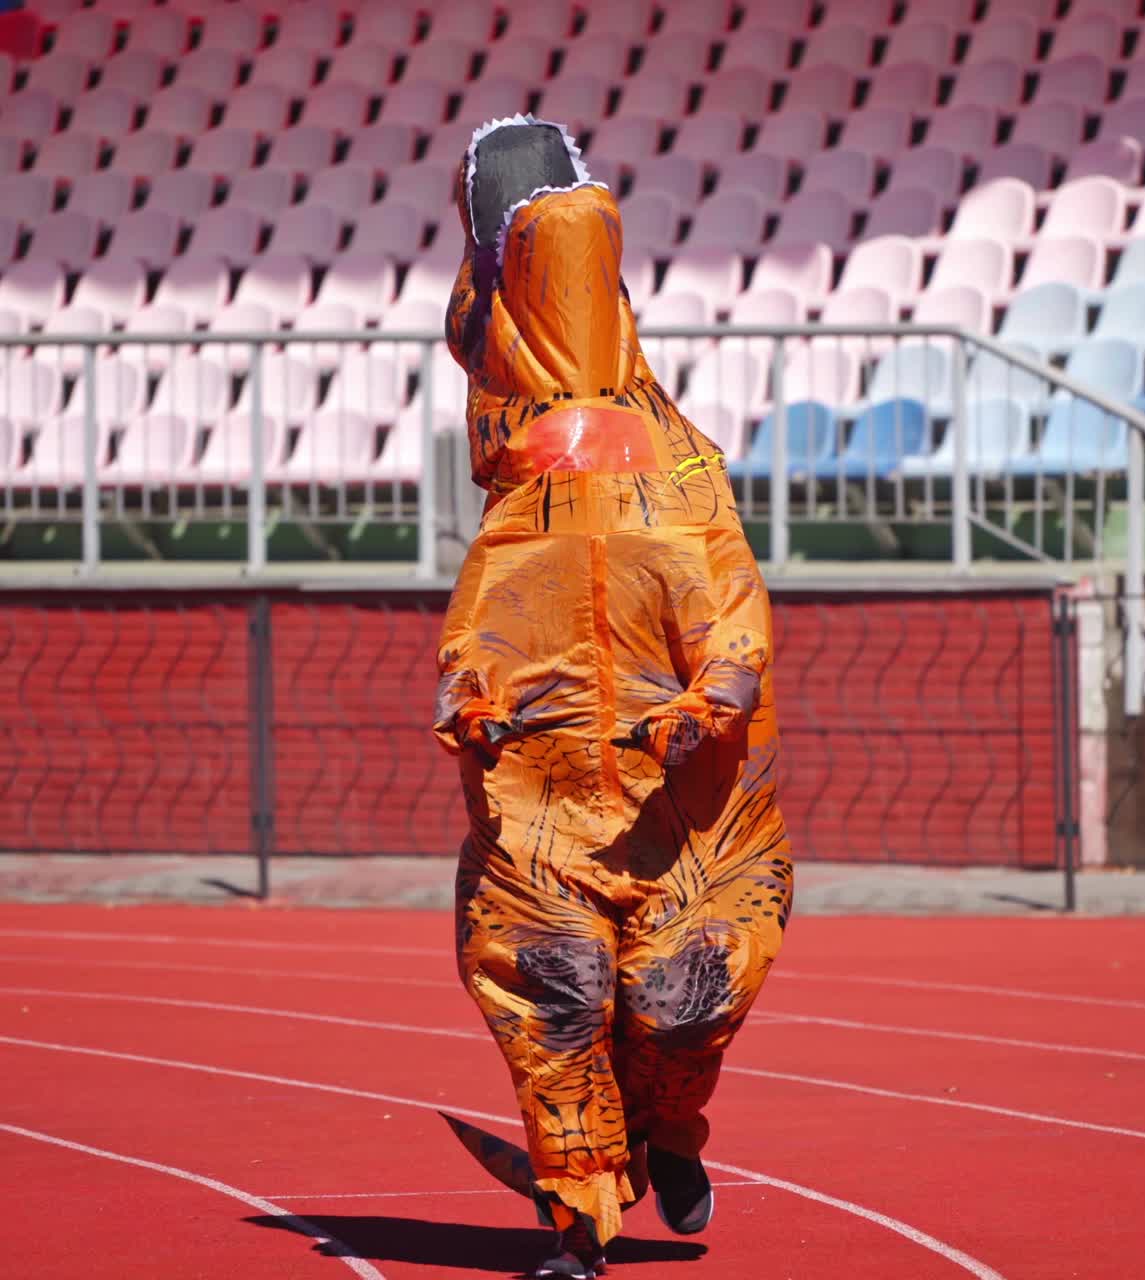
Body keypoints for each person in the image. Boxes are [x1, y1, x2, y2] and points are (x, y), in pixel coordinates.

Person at [433, 115, 794, 1280]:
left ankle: (668, 1134)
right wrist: (473, 699)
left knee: (683, 996)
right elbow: (485, 619)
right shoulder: (516, 469)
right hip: (543, 803)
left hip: (679, 806)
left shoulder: (679, 467)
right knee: (553, 991)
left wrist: (710, 698)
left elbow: (727, 609)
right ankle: (577, 1220)